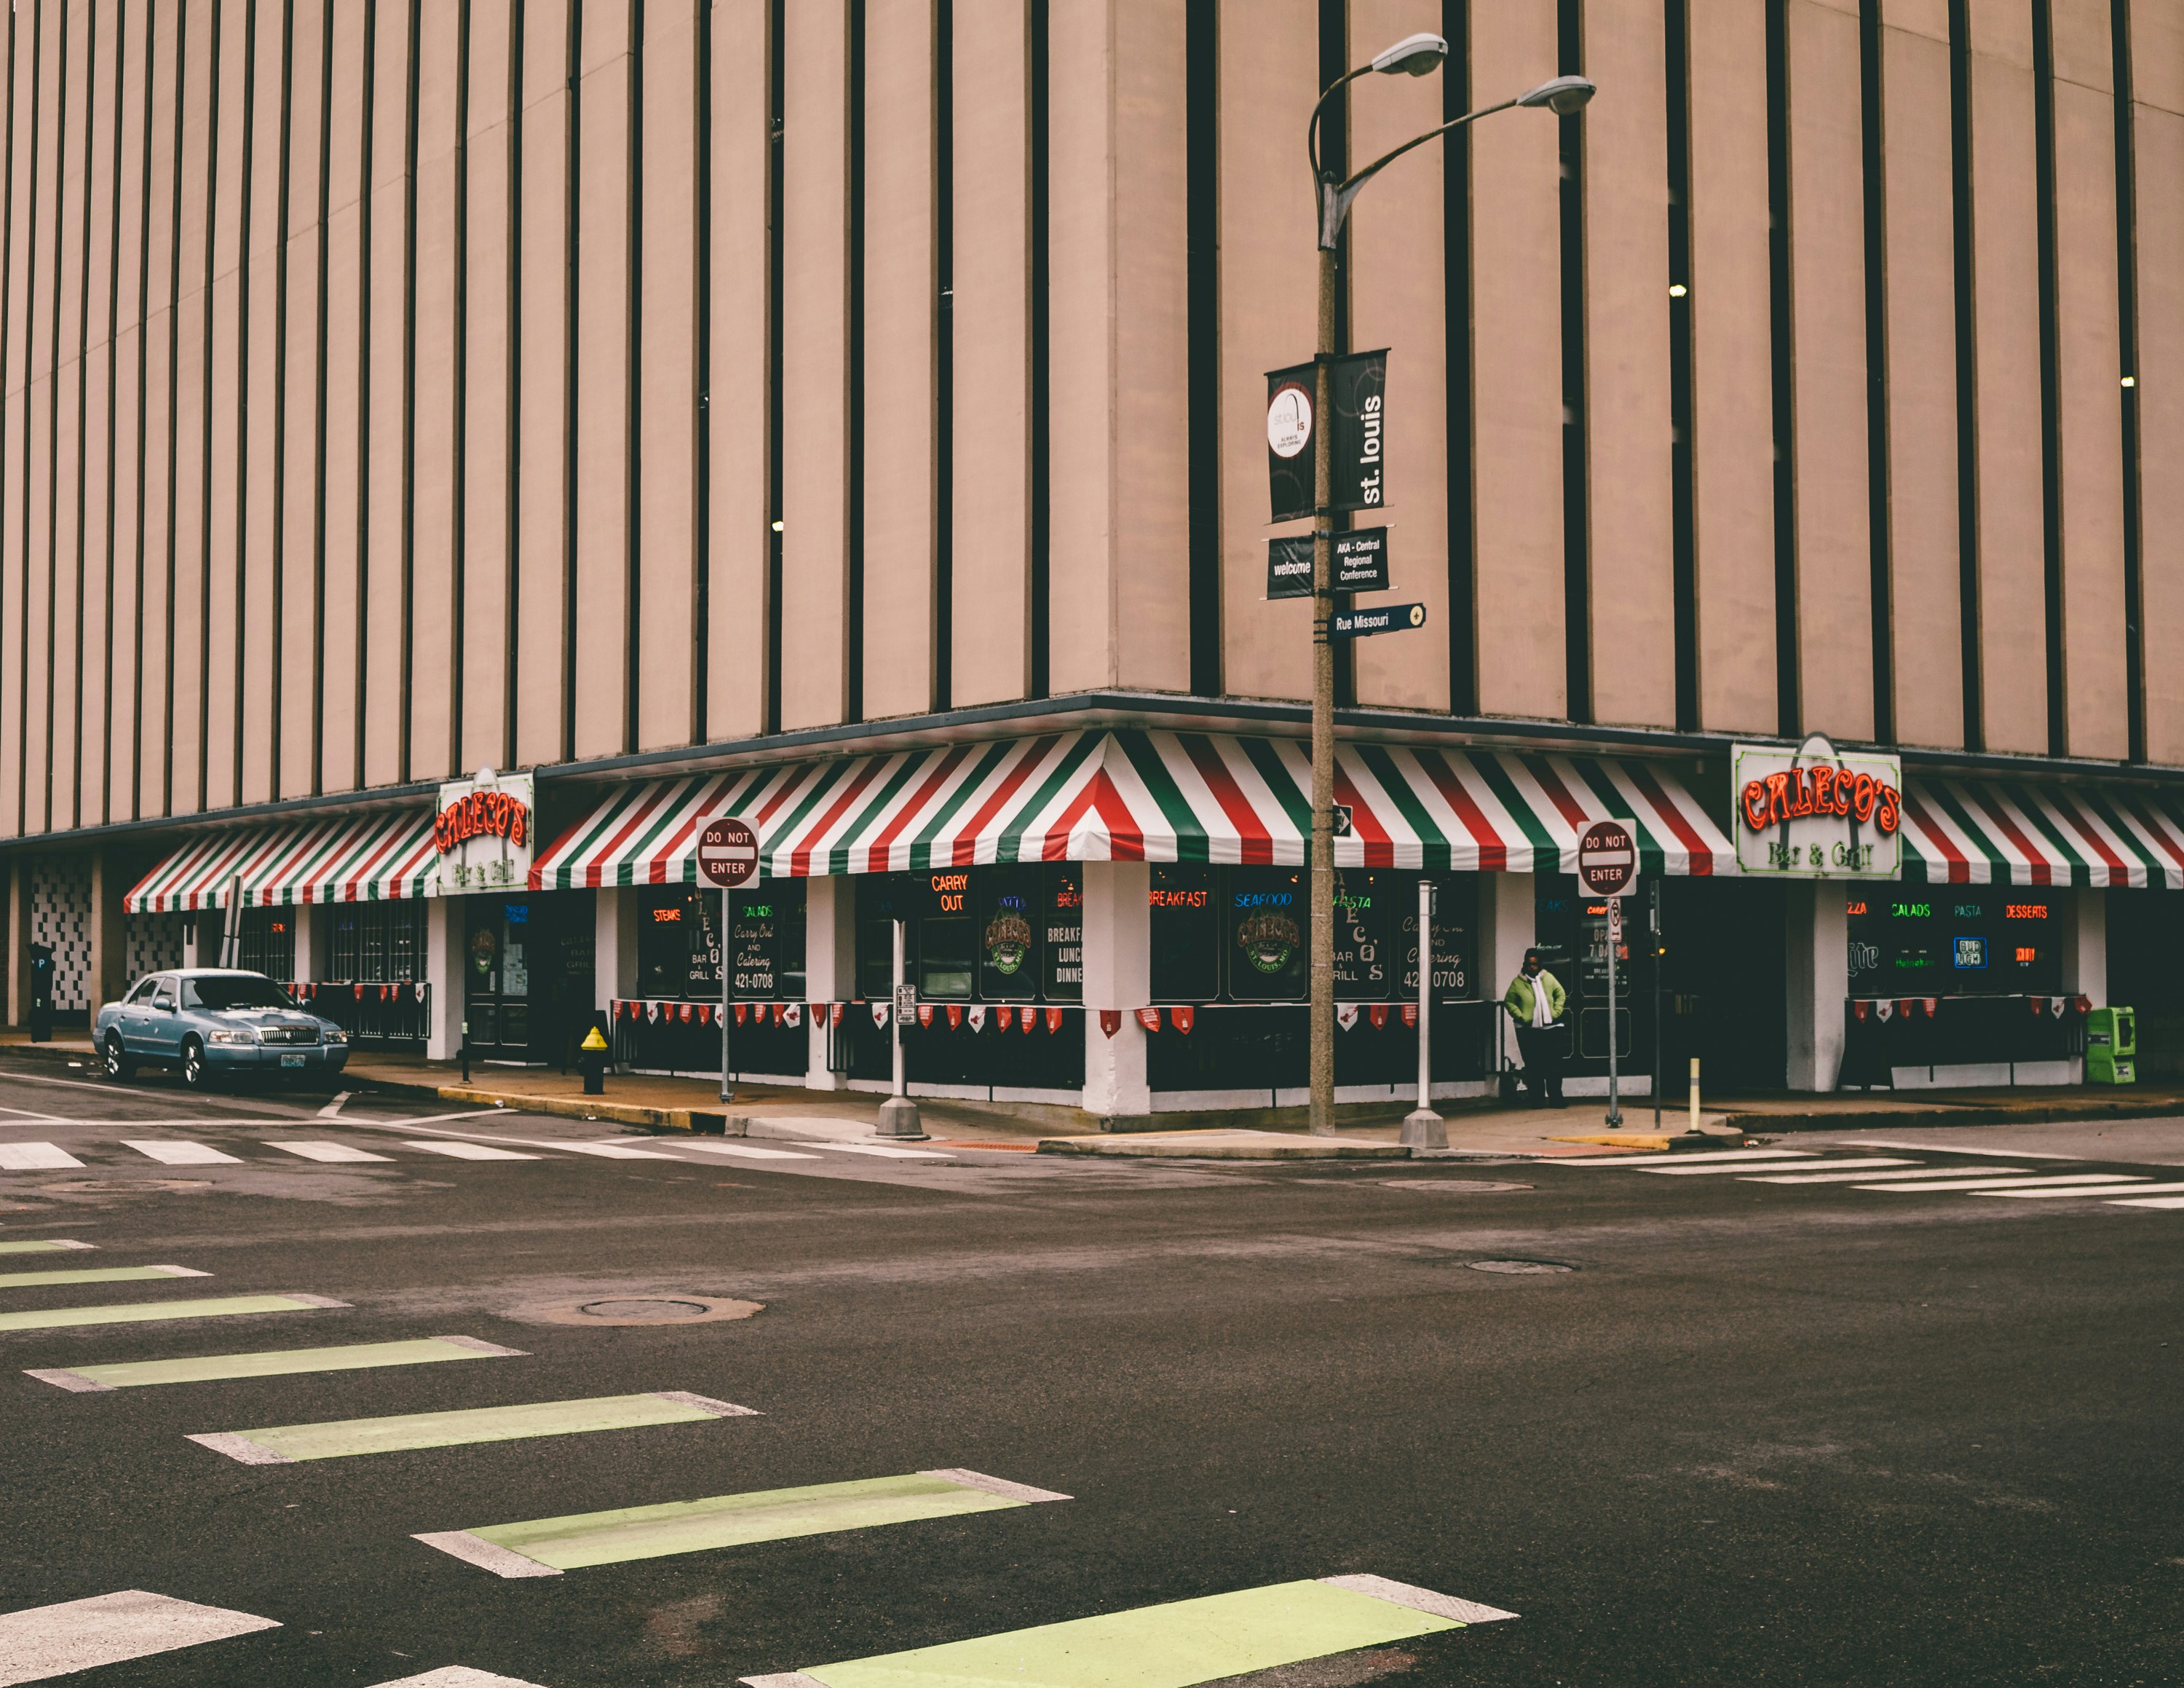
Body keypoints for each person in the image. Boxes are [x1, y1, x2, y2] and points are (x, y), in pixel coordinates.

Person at [1503, 947, 1567, 1108]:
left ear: (1540, 964)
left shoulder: (1548, 978)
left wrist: (1556, 1011)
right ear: (1525, 964)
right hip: (1528, 1030)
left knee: (1554, 1065)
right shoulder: (1518, 983)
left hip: (1552, 1028)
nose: (1533, 967)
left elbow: (1561, 993)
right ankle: (1537, 1100)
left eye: (1535, 964)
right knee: (1533, 1066)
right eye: (1530, 964)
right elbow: (1509, 1001)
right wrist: (1521, 1017)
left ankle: (1556, 1099)